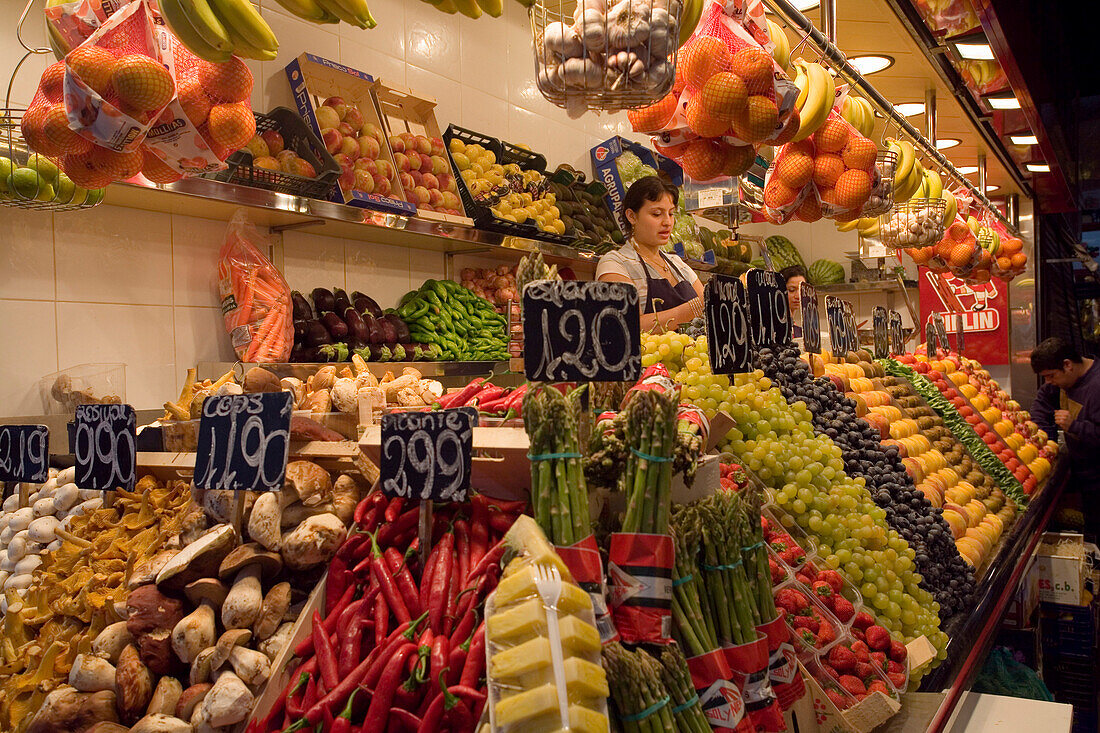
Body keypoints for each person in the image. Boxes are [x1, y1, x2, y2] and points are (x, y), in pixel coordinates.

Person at [596, 176, 704, 332]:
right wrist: (693, 308)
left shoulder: (678, 264)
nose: (667, 222)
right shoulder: (615, 263)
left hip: (693, 355)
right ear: (631, 216)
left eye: (671, 214)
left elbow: (707, 306)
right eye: (656, 214)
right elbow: (627, 325)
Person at [1031, 337, 1100, 535]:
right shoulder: (1062, 382)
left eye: (1051, 376)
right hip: (1081, 471)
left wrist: (1075, 426)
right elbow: (1042, 404)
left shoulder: (1096, 386)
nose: (1049, 382)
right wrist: (1045, 439)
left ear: (1067, 365)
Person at [780, 265, 807, 338]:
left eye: (802, 290)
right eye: (792, 290)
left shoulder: (798, 330)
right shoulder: (776, 330)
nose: (798, 296)